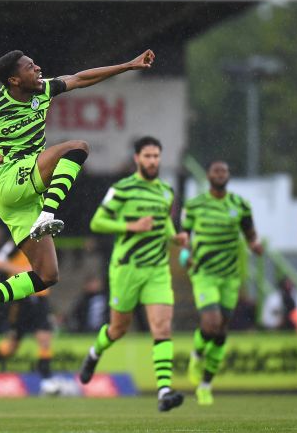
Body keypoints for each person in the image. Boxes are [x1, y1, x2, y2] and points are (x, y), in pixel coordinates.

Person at [0, 48, 156, 346]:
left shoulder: (43, 90)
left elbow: (81, 79)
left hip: (23, 197)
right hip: (11, 179)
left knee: (47, 275)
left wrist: (129, 65)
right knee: (78, 146)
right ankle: (48, 213)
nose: (38, 69)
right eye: (30, 67)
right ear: (14, 80)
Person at [77, 136, 185, 412]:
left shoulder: (166, 191)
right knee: (118, 329)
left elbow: (164, 226)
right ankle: (94, 353)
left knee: (161, 328)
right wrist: (133, 225)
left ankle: (164, 391)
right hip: (126, 269)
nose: (152, 161)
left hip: (157, 270)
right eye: (147, 156)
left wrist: (176, 237)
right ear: (137, 158)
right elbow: (97, 222)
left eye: (156, 156)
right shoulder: (122, 189)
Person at [180, 160, 263, 406]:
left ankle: (205, 385)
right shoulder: (195, 206)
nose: (220, 174)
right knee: (211, 322)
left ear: (228, 176)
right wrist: (186, 255)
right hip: (204, 273)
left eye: (224, 171)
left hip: (230, 276)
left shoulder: (240, 206)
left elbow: (250, 235)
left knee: (221, 331)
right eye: (216, 170)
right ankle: (196, 354)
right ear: (208, 175)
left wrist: (254, 245)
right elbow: (184, 237)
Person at [0, 239, 59, 395]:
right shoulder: (15, 242)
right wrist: (24, 271)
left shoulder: (44, 240)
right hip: (21, 297)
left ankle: (47, 380)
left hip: (41, 296)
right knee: (13, 345)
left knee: (44, 338)